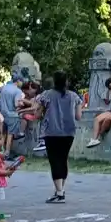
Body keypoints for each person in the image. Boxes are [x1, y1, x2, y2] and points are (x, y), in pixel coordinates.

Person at [37, 72, 82, 204]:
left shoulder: (46, 95)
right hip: (69, 132)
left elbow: (38, 112)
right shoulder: (74, 96)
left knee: (54, 160)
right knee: (63, 159)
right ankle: (60, 189)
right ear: (67, 81)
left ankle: (59, 193)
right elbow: (78, 116)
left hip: (51, 131)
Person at [0, 75, 26, 155]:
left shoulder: (4, 87)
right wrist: (23, 103)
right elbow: (16, 104)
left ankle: (0, 150)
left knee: (3, 133)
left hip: (2, 114)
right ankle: (7, 151)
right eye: (22, 82)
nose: (22, 83)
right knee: (10, 134)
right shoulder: (18, 91)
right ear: (18, 81)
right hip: (12, 115)